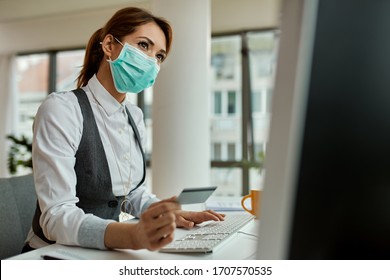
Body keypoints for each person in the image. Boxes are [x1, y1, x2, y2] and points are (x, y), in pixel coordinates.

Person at [23, 7, 224, 253]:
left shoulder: (135, 116)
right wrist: (132, 235)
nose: (151, 60)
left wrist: (167, 212)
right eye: (143, 45)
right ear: (109, 45)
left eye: (159, 56)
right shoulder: (62, 109)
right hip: (52, 255)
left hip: (100, 252)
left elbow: (133, 193)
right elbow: (56, 215)